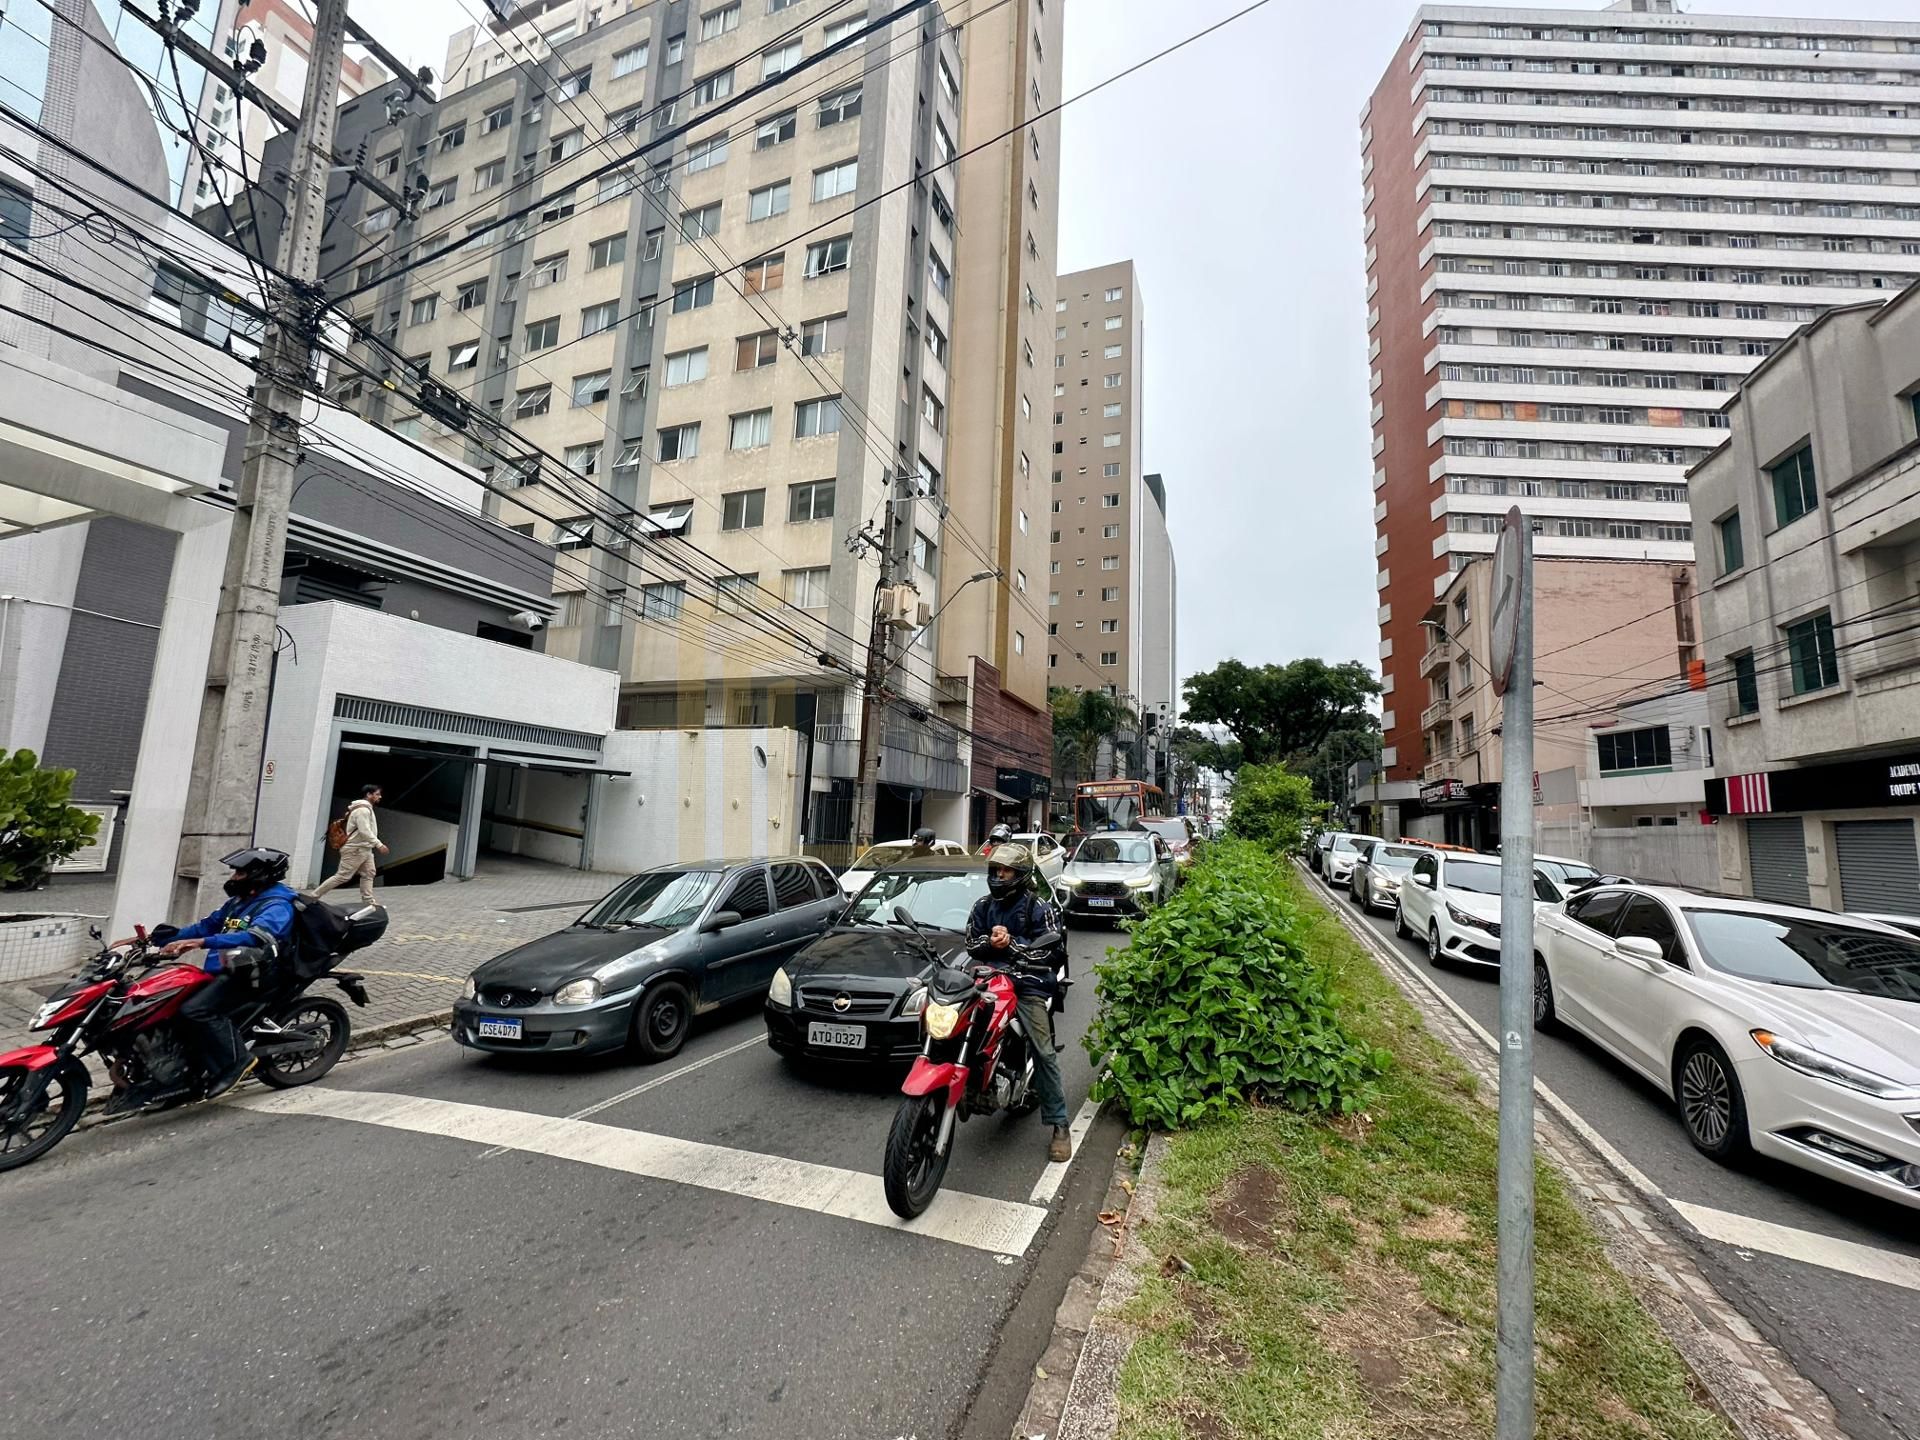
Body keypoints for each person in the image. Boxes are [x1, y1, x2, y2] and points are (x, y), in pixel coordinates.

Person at [109, 847, 297, 1106]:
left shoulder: (277, 905)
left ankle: (237, 1061)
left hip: (254, 974)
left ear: (259, 874)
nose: (234, 876)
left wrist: (202, 943)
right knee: (169, 1006)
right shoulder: (239, 900)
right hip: (226, 969)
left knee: (195, 1010)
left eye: (240, 872)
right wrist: (156, 938)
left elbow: (254, 936)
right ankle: (183, 1078)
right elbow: (205, 925)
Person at [964, 843, 1072, 1163]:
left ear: (1021, 875)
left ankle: (1059, 1124)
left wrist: (1011, 944)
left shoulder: (1039, 908)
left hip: (1029, 983)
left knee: (1043, 1049)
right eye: (996, 870)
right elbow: (972, 942)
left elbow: (1049, 949)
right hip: (989, 980)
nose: (999, 876)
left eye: (1006, 871)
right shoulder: (983, 905)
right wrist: (989, 941)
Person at [314, 784, 389, 905]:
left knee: (369, 873)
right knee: (343, 876)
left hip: (364, 848)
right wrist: (379, 844)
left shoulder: (366, 808)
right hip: (355, 849)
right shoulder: (362, 810)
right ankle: (313, 897)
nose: (380, 797)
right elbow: (364, 831)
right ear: (368, 794)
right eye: (377, 794)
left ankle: (368, 902)